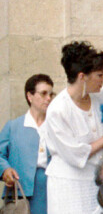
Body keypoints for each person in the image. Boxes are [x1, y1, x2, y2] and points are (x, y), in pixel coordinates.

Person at [44, 41, 103, 214]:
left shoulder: (99, 94)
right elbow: (75, 154)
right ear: (82, 76)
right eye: (99, 75)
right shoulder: (57, 109)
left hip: (95, 178)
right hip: (68, 182)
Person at [0, 74, 54, 214]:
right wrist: (5, 170)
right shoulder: (13, 127)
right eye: (43, 93)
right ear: (29, 96)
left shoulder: (56, 126)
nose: (48, 98)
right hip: (21, 192)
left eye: (51, 94)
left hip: (52, 190)